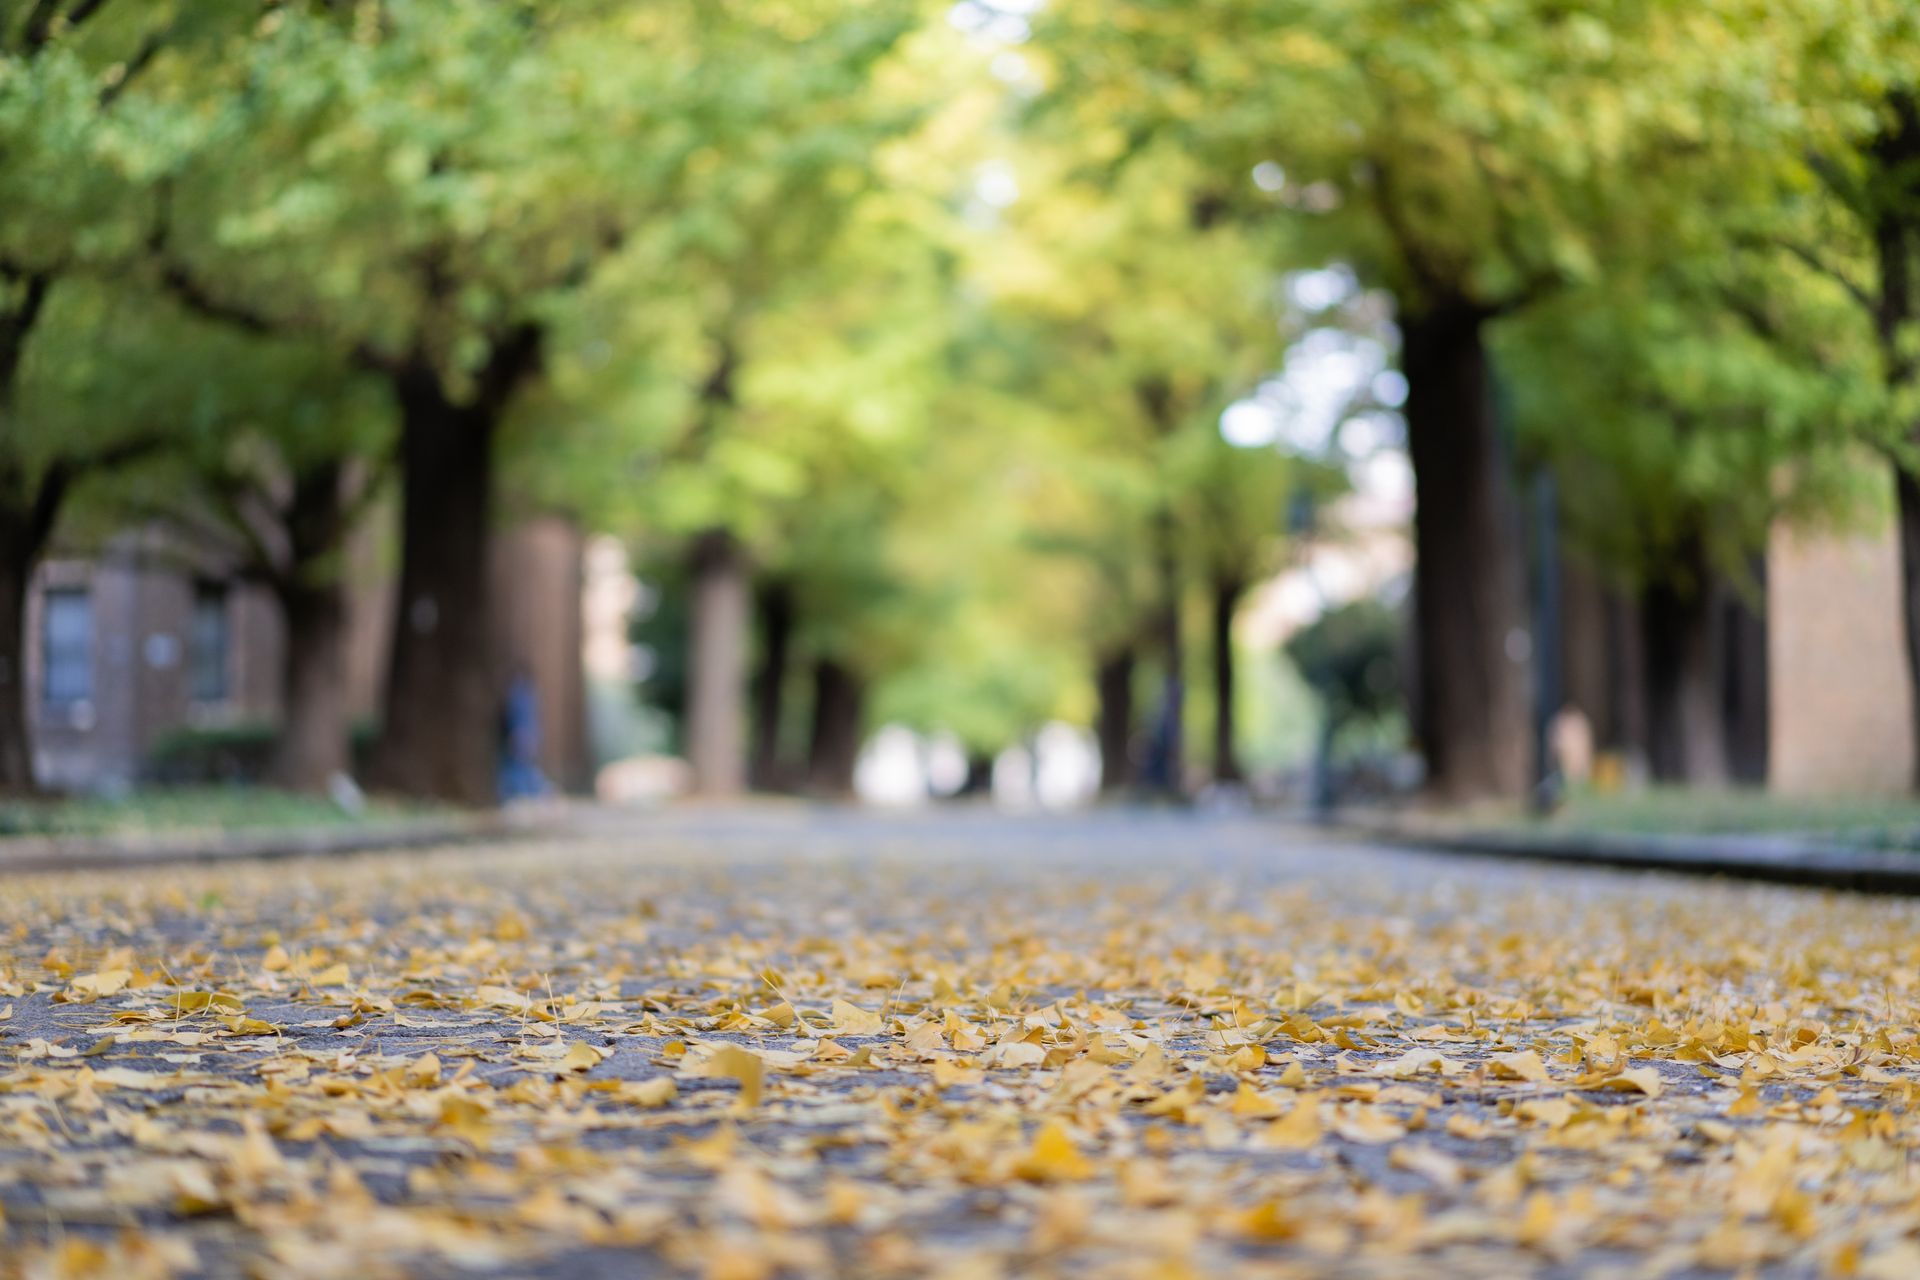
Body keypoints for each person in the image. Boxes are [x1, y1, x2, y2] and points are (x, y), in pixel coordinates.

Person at [498, 661, 551, 802]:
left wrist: (522, 736)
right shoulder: (526, 692)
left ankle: (531, 795)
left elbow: (523, 717)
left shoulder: (521, 693)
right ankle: (525, 796)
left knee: (521, 769)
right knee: (520, 769)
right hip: (524, 736)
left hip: (522, 736)